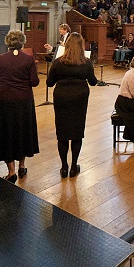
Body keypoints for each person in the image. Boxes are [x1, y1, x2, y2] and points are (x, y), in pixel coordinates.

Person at [0, 30, 40, 182]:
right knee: (22, 131)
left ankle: (11, 171)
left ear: (7, 42)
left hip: (5, 100)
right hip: (24, 101)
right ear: (22, 42)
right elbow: (34, 82)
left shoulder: (0, 59)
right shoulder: (28, 59)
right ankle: (22, 166)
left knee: (7, 133)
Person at [47, 32, 98, 178]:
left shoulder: (58, 62)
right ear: (81, 46)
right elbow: (93, 82)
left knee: (62, 133)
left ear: (67, 45)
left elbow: (49, 83)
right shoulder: (86, 62)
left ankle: (64, 167)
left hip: (61, 97)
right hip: (79, 98)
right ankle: (74, 166)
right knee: (77, 132)